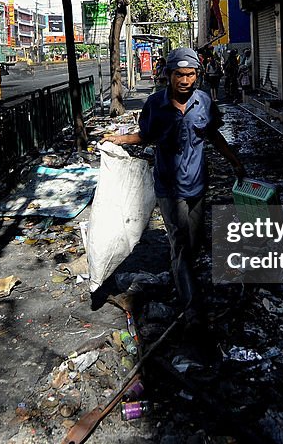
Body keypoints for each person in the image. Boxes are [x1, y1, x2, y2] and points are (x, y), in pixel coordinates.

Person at [103, 47, 245, 329]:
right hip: (168, 186)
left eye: (190, 74)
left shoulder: (204, 101)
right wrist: (119, 140)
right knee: (179, 243)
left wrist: (235, 161)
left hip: (198, 184)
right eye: (179, 74)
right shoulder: (155, 105)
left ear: (197, 75)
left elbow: (214, 134)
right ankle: (193, 310)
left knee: (192, 243)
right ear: (168, 75)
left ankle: (181, 277)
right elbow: (145, 136)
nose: (185, 80)